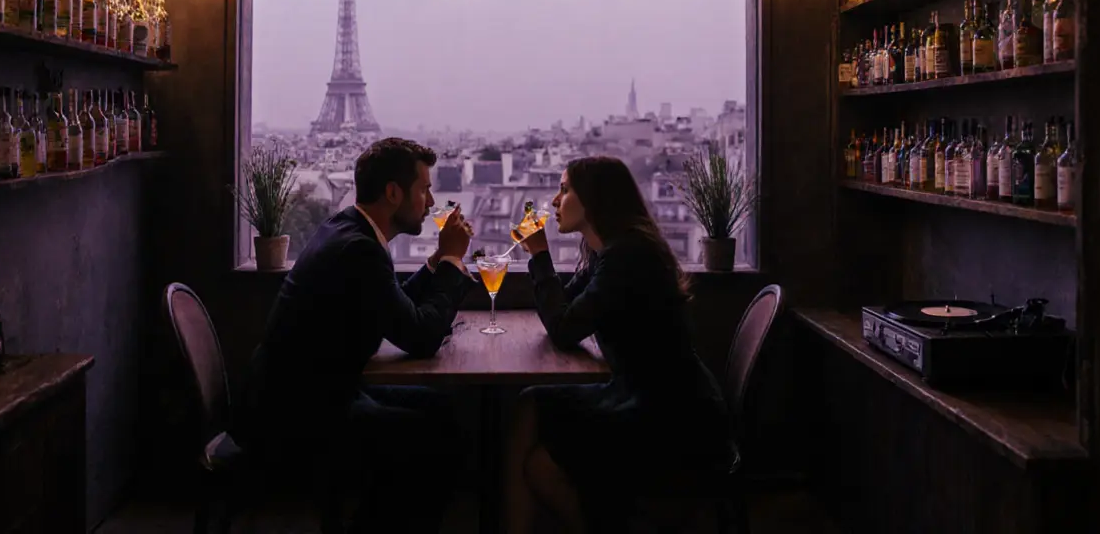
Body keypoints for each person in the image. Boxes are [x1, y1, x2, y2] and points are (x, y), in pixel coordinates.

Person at [234, 137, 475, 533]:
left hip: (292, 394)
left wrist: (434, 263)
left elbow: (394, 308)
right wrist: (452, 259)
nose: (431, 201)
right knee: (434, 440)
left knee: (441, 411)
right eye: (424, 189)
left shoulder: (345, 228)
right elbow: (420, 336)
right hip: (298, 415)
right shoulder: (360, 251)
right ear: (393, 193)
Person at [505, 156, 734, 534]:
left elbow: (563, 328)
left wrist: (540, 255)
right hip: (646, 395)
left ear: (594, 199)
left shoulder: (628, 257)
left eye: (565, 189)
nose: (555, 200)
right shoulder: (608, 252)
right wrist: (541, 259)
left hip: (670, 414)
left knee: (536, 440)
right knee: (534, 427)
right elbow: (566, 310)